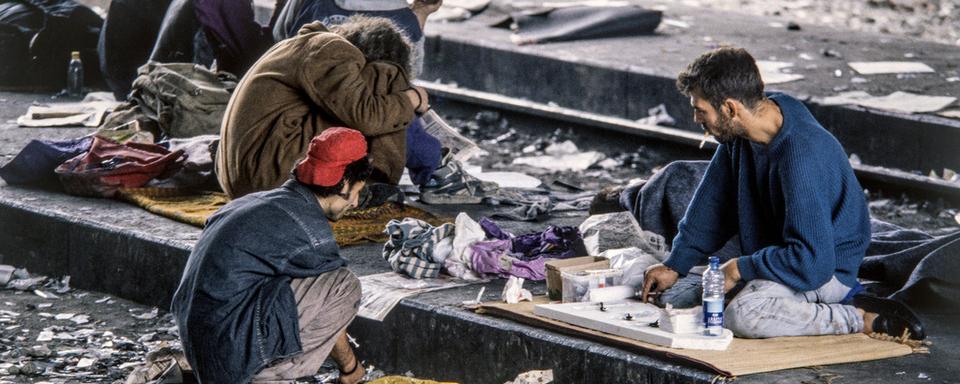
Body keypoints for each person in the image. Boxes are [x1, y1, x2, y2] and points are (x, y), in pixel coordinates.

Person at [630, 47, 925, 340]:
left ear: (730, 108)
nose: (696, 118)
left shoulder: (801, 155)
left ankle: (858, 316)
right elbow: (711, 209)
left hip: (822, 271)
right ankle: (781, 299)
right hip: (777, 259)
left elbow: (811, 262)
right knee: (675, 298)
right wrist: (673, 264)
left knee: (743, 315)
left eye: (700, 109)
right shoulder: (740, 135)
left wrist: (739, 268)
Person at [172, 128, 372, 383]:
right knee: (343, 285)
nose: (355, 202)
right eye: (357, 191)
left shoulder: (251, 202)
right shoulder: (309, 232)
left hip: (200, 347)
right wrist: (350, 367)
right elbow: (333, 311)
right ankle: (270, 377)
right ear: (343, 183)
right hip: (228, 360)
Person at [216, 15, 430, 199]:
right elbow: (366, 115)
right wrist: (412, 98)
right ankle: (376, 182)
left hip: (249, 177)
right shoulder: (330, 49)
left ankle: (370, 181)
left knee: (364, 104)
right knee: (386, 75)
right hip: (268, 178)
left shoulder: (310, 46)